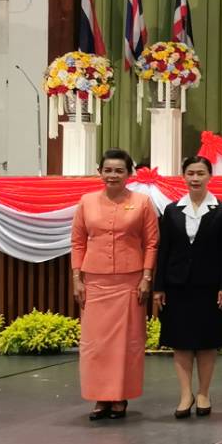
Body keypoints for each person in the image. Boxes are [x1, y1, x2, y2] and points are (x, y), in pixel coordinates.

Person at [71, 148, 159, 421]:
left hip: (130, 281)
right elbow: (78, 242)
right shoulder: (86, 202)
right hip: (95, 281)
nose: (113, 175)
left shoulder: (143, 202)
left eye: (119, 170)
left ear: (129, 174)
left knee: (127, 343)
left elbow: (151, 243)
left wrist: (146, 278)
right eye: (108, 170)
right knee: (95, 344)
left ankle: (120, 396)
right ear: (99, 172)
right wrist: (77, 279)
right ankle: (100, 397)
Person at [153, 155, 222, 418]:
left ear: (210, 176)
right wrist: (159, 287)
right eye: (191, 173)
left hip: (210, 287)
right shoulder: (172, 210)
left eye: (200, 173)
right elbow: (164, 250)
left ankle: (203, 393)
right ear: (183, 176)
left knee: (207, 342)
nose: (195, 178)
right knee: (181, 342)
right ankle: (186, 394)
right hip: (177, 286)